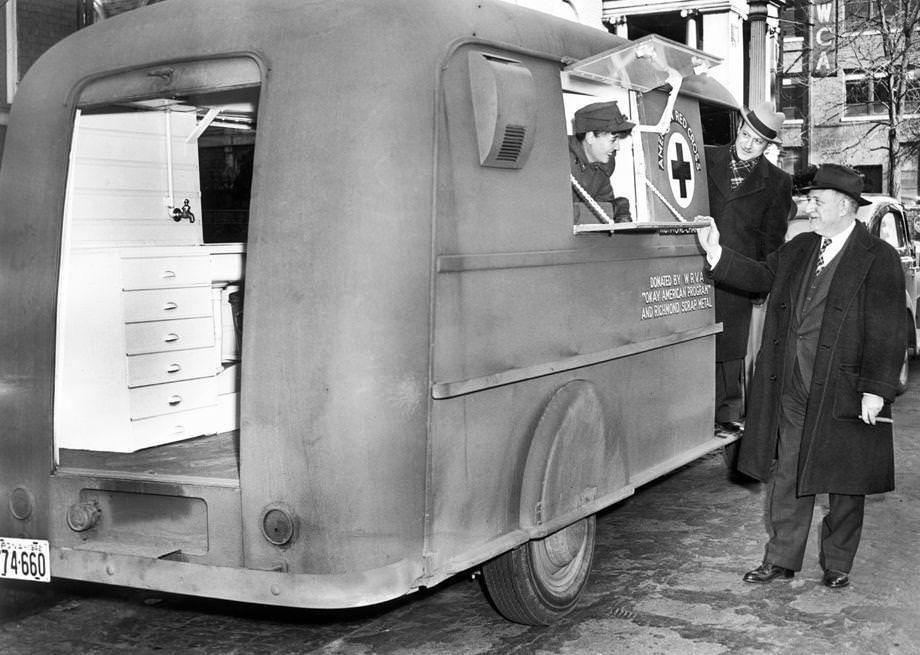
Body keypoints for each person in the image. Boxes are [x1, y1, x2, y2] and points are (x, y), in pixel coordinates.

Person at [695, 163, 907, 589]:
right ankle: (781, 558)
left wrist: (876, 390)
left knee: (845, 482)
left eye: (817, 201)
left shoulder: (877, 257)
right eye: (810, 200)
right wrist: (717, 252)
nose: (809, 207)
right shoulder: (800, 248)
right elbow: (760, 275)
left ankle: (838, 562)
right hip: (793, 385)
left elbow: (889, 329)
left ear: (846, 207)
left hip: (846, 388)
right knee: (788, 473)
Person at [705, 101, 793, 440]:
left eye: (757, 141)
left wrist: (760, 285)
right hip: (693, 269)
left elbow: (772, 243)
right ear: (738, 130)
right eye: (745, 134)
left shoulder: (777, 183)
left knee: (728, 347)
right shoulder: (704, 157)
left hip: (735, 278)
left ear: (767, 147)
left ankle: (725, 413)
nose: (747, 144)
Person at [569, 100, 634, 223]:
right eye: (613, 139)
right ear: (590, 137)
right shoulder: (560, 163)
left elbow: (603, 206)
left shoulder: (601, 167)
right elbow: (557, 215)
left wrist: (617, 212)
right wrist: (613, 210)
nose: (617, 147)